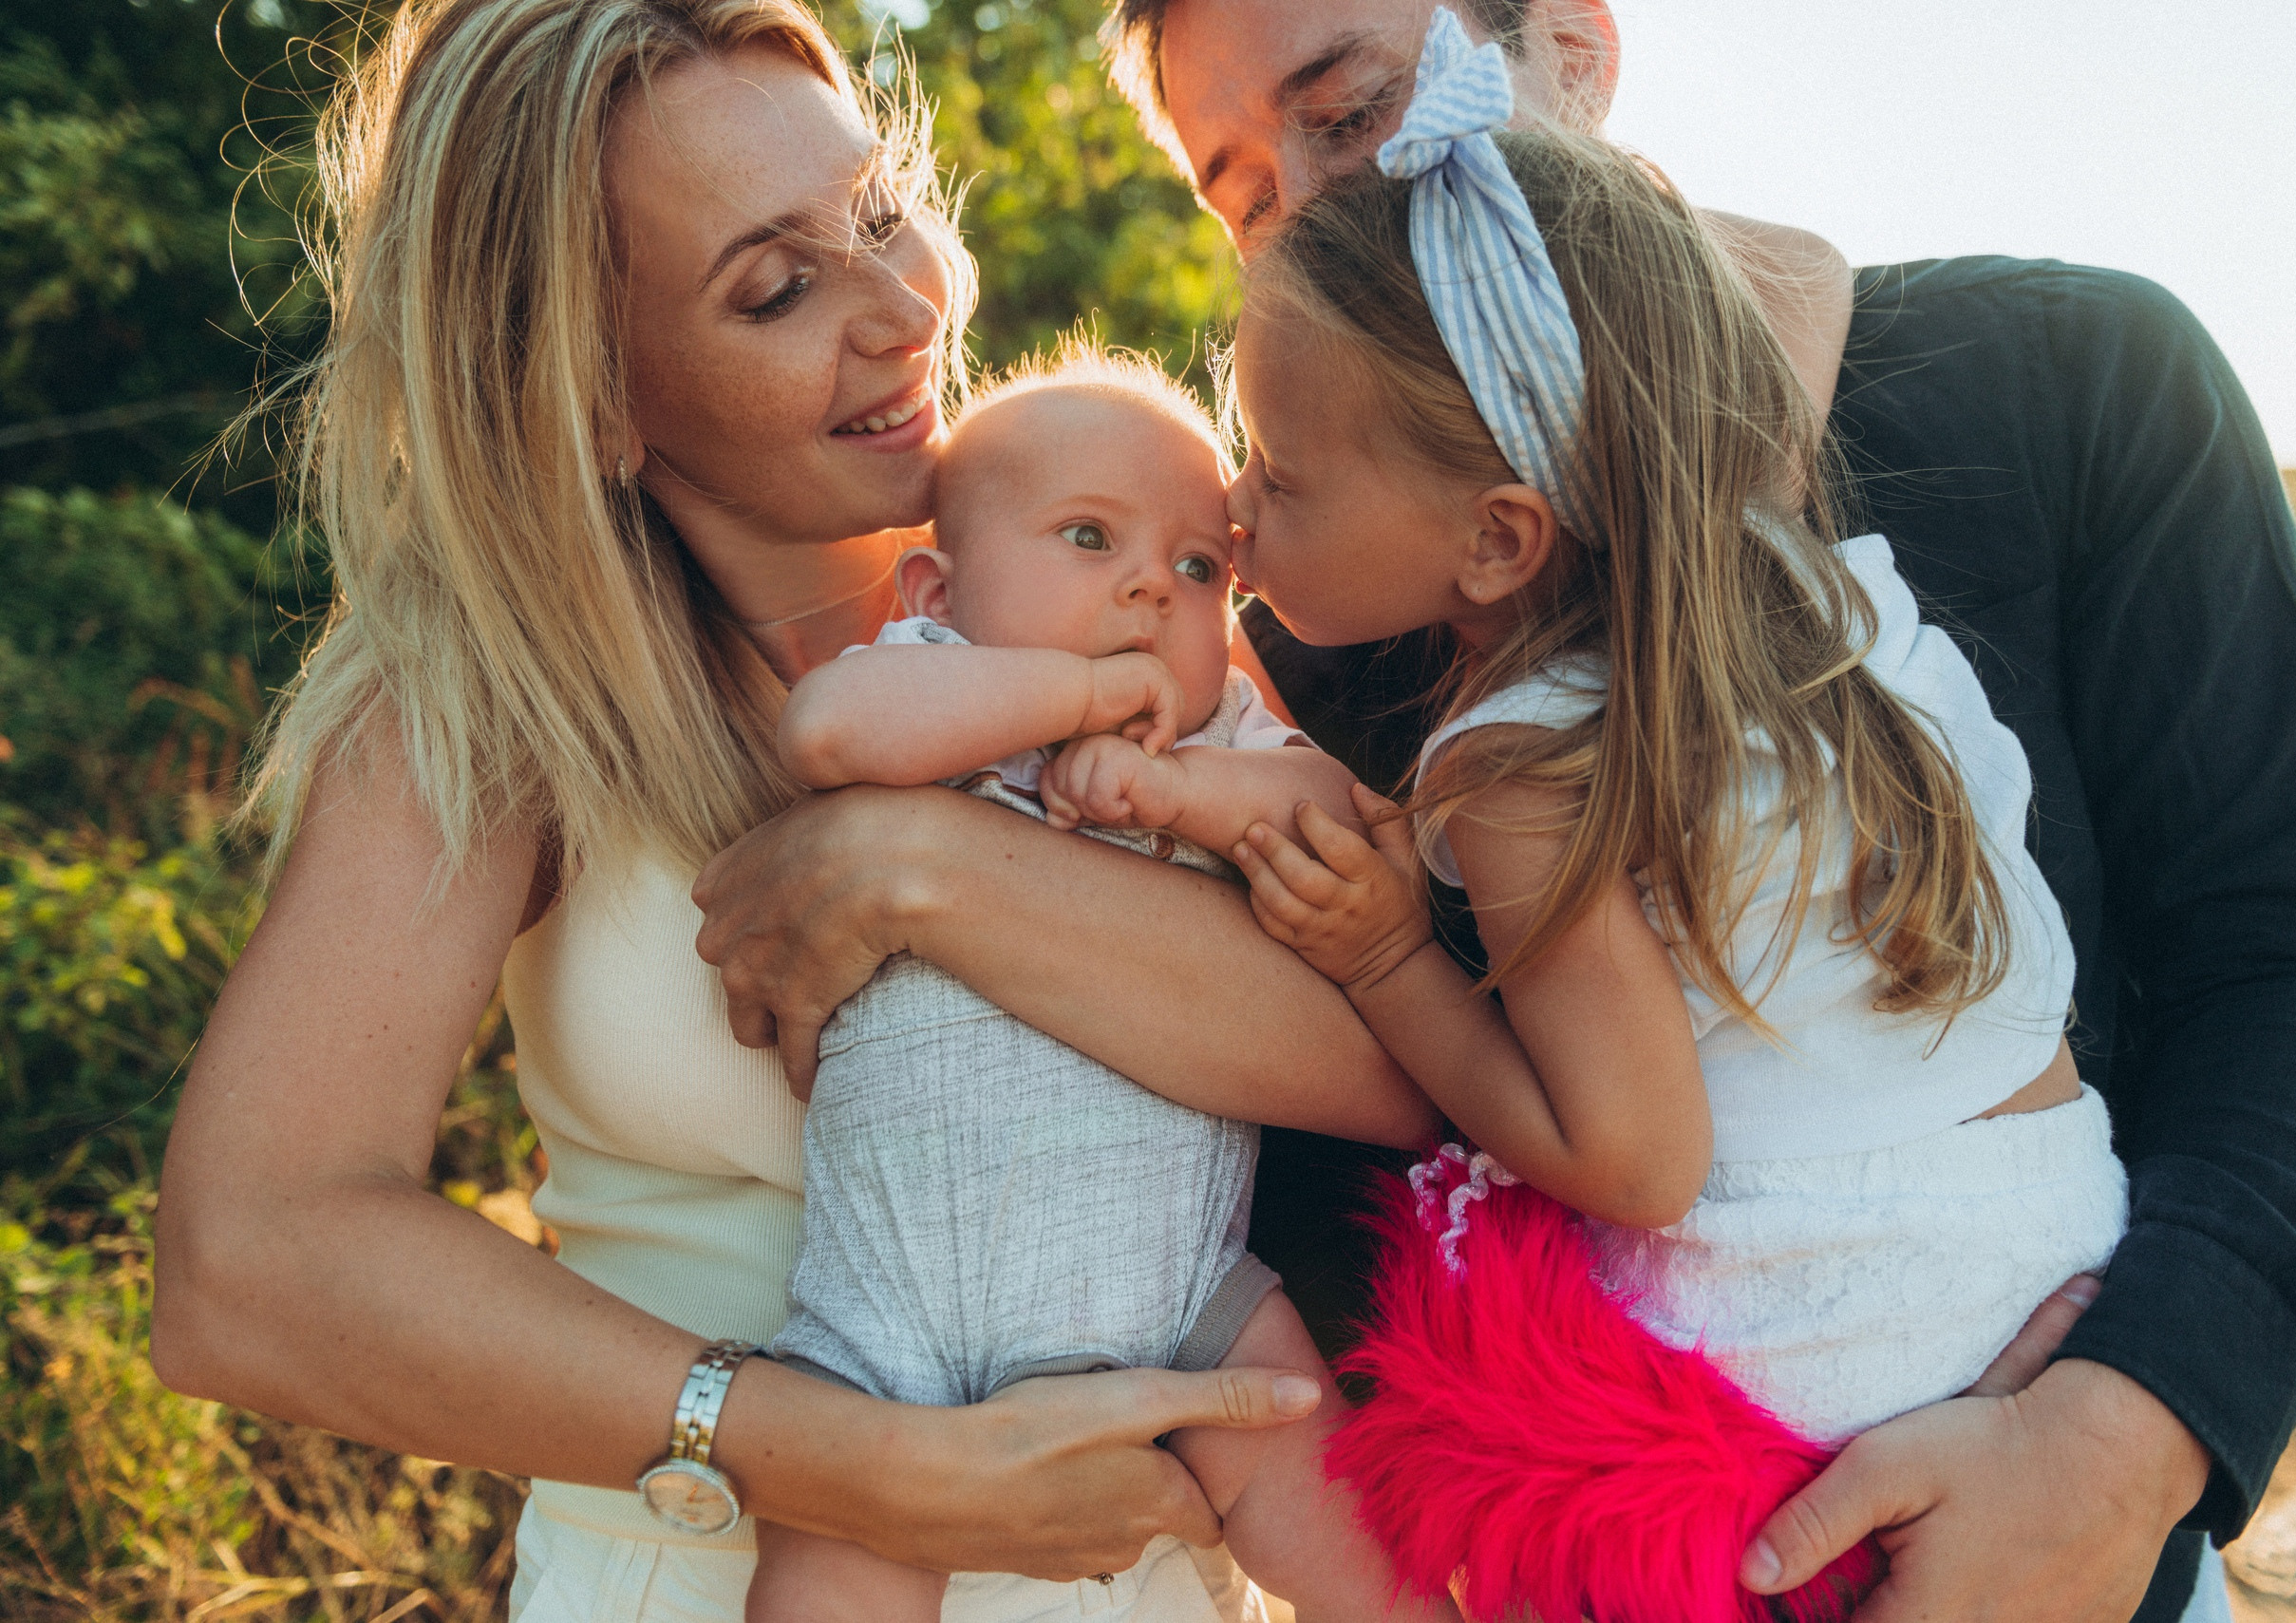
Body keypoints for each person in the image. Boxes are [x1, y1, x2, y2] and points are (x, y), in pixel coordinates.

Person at [1060, 0, 2296, 1619]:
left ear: (1573, 46)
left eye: (1353, 115)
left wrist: (2125, 1437)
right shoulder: (1336, 608)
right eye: (1246, 202)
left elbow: (2295, 961)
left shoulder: (2079, 378)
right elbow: (1296, 1171)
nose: (1318, 214)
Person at [149, 3, 1412, 1618]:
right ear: (596, 395)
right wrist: (848, 1464)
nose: (906, 308)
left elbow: (1402, 1072)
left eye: (880, 212)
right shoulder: (485, 696)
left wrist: (919, 863)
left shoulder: (1097, 577)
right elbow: (249, 1262)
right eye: (776, 289)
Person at [1211, 23, 2131, 1616]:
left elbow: (1632, 1159)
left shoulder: (1519, 762)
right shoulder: (1823, 602)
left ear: (1498, 540)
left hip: (1841, 1341)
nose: (1235, 511)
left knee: (1486, 1367)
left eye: (1278, 476)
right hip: (2067, 1245)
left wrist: (1382, 960)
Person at [747, 351, 1443, 1622]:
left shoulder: (1216, 734)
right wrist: (1074, 692)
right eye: (1087, 537)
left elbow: (1340, 813)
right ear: (937, 590)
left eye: (1200, 568)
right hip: (885, 1331)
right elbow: (827, 732)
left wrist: (1183, 793)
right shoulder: (925, 670)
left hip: (1185, 1299)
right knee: (821, 1585)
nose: (1151, 587)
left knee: (1357, 1546)